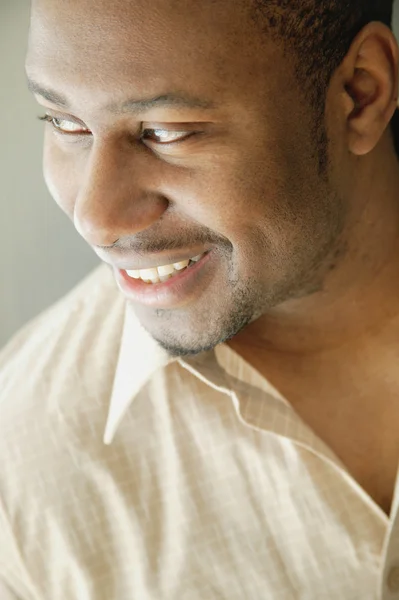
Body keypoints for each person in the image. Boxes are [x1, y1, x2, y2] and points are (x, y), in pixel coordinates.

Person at [1, 0, 399, 597]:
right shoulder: (23, 477)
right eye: (65, 124)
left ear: (360, 93)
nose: (95, 217)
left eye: (166, 131)